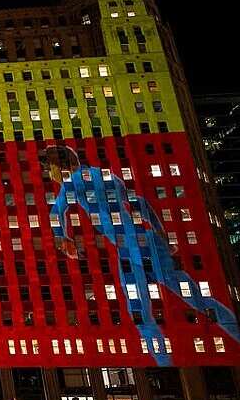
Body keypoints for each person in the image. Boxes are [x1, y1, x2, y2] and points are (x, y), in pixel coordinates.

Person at [44, 145, 240, 366]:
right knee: (195, 300)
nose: (51, 175)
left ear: (61, 166)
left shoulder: (73, 182)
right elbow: (141, 203)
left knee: (144, 316)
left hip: (133, 249)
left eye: (51, 169)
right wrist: (162, 237)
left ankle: (165, 362)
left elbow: (55, 213)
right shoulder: (108, 176)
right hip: (141, 245)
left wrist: (64, 241)